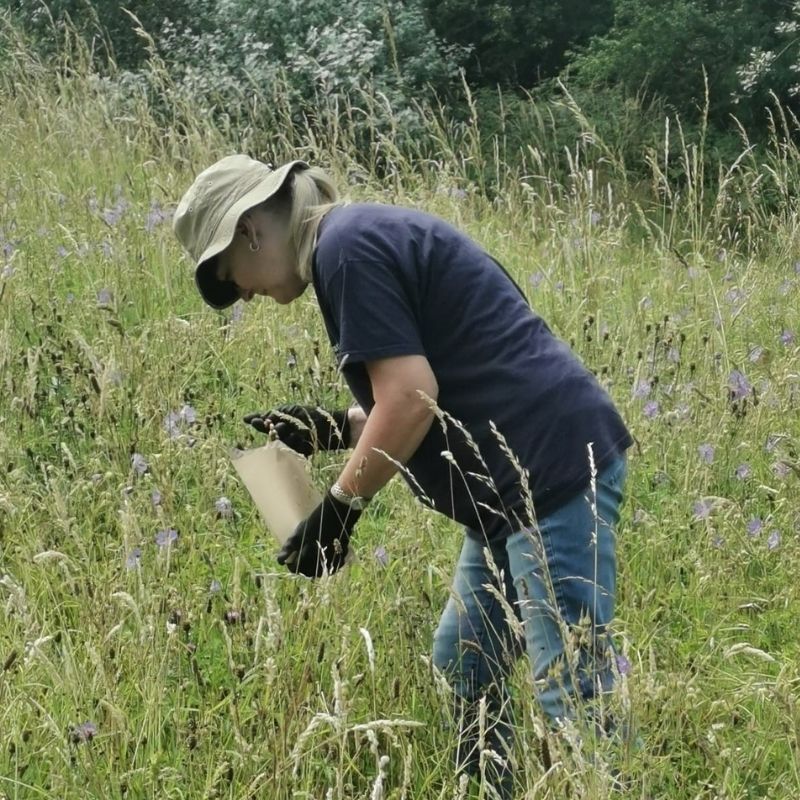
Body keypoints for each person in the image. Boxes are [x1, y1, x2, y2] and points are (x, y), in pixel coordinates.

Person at [173, 154, 634, 796]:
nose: (243, 293)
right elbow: (432, 387)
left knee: (573, 697)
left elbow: (412, 400)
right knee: (464, 664)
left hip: (545, 475)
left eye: (231, 276)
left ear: (249, 229)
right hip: (514, 488)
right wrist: (336, 427)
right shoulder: (351, 241)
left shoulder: (346, 251)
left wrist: (339, 509)